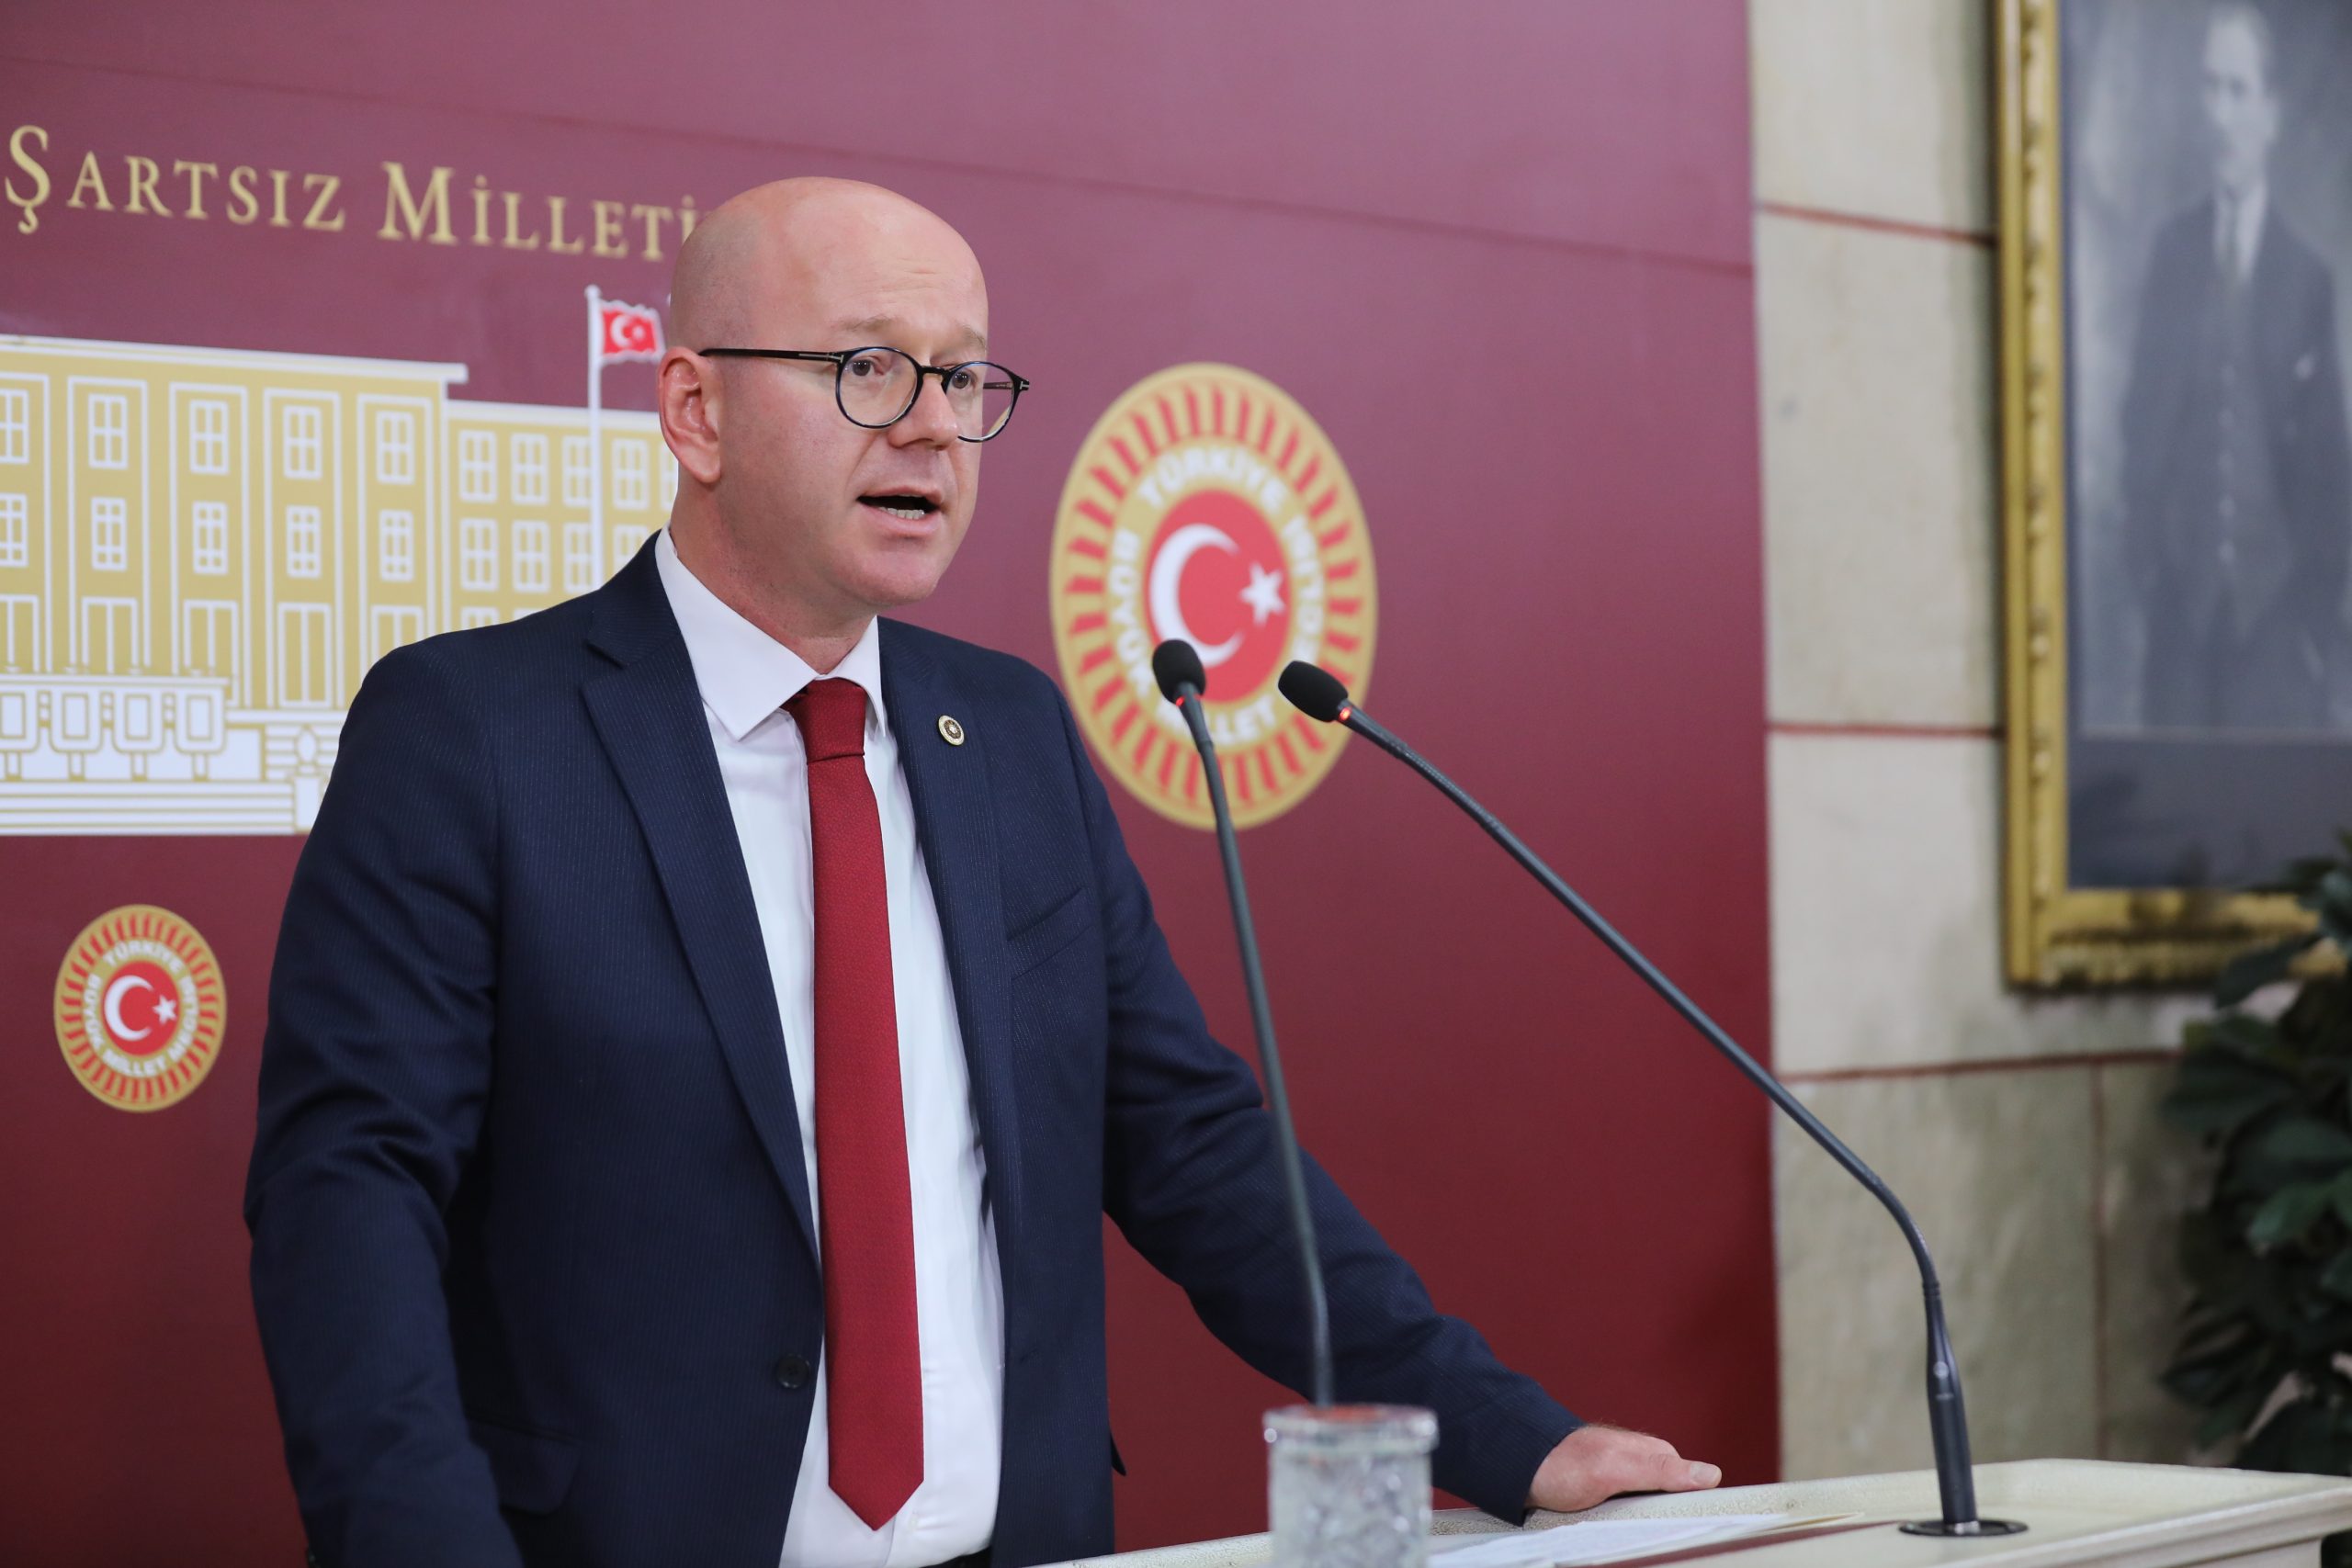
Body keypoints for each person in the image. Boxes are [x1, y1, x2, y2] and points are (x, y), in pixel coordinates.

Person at [244, 177, 1718, 1568]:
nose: (935, 428)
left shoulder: (1007, 731)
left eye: (962, 378)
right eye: (869, 369)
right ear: (696, 409)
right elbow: (348, 1193)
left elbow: (1190, 1144)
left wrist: (1509, 1432)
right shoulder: (476, 733)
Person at [2121, 0, 2351, 731]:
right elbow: (2139, 428)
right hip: (2180, 634)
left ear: (2271, 114)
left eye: (2238, 91)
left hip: (2275, 635)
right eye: (2210, 88)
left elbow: (2328, 470)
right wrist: (2154, 577)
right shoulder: (2171, 255)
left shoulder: (2307, 278)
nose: (2220, 115)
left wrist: (2310, 627)